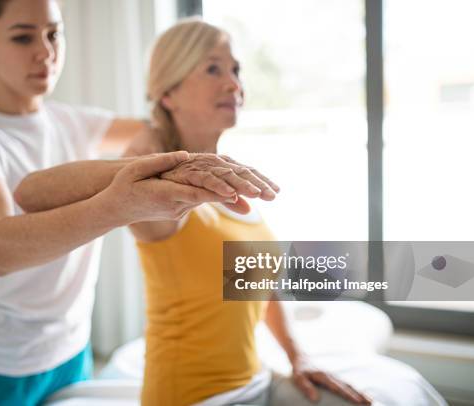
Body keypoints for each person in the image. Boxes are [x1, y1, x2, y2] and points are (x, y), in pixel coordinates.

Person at [0, 0, 279, 405]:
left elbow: (165, 129)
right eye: (23, 37)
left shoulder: (74, 121)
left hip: (72, 350)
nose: (45, 51)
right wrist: (121, 202)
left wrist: (209, 129)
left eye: (53, 34)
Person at [122, 19, 448, 406]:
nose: (233, 84)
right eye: (213, 69)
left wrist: (297, 356)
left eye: (236, 70)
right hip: (193, 397)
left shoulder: (233, 180)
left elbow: (258, 278)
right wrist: (154, 137)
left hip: (256, 382)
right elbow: (132, 175)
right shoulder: (159, 189)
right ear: (168, 93)